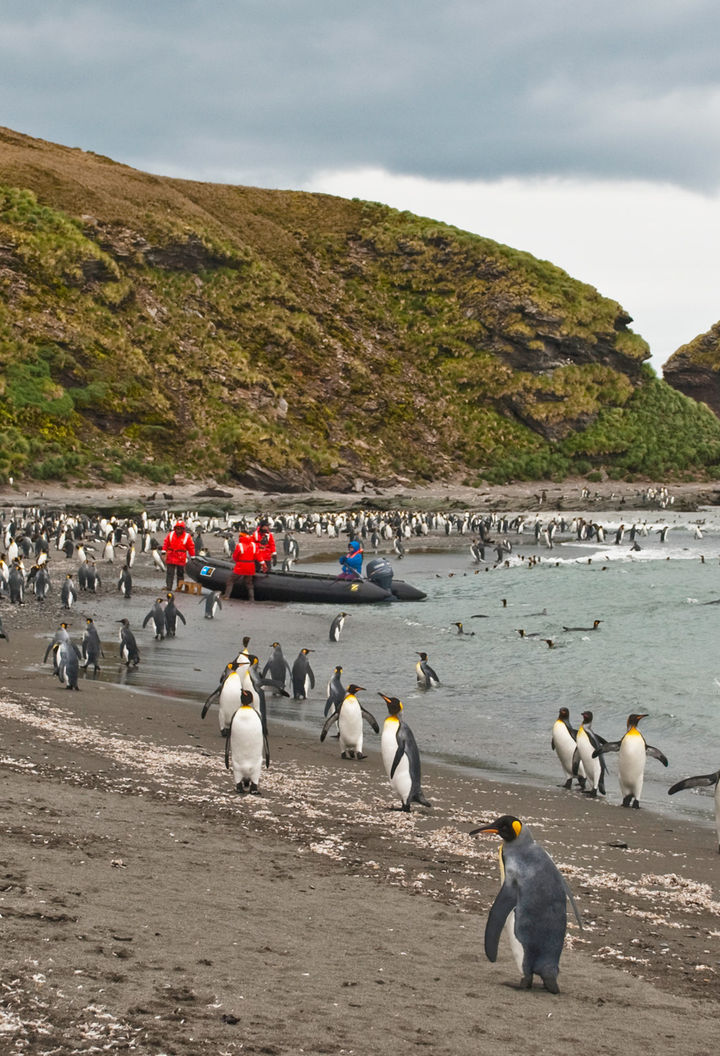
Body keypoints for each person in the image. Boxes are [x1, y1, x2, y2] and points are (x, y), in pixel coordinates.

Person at [222, 528, 257, 600]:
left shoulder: (240, 545)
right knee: (249, 583)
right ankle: (252, 598)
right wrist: (263, 564)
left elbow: (235, 557)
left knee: (231, 580)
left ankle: (226, 596)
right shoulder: (253, 545)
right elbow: (257, 555)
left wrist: (237, 562)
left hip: (241, 566)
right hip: (250, 566)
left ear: (241, 537)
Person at [161, 520, 195, 590]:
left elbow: (191, 547)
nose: (178, 530)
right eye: (177, 528)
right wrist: (163, 552)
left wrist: (193, 557)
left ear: (183, 529)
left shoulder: (187, 536)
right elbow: (166, 543)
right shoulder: (171, 534)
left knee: (180, 573)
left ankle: (179, 587)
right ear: (175, 528)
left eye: (180, 528)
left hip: (181, 556)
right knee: (170, 573)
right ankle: (169, 587)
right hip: (171, 555)